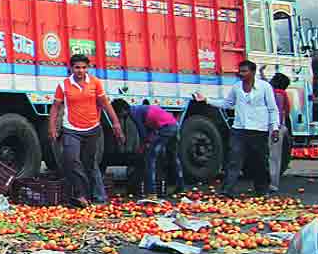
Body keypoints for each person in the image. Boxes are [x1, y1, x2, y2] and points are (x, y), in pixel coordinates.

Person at [193, 59, 279, 197]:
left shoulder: (264, 87)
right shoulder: (237, 87)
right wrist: (207, 100)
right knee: (234, 160)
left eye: (244, 71)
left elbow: (272, 109)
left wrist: (274, 127)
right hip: (239, 129)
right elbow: (227, 103)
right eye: (240, 71)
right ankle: (227, 191)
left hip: (259, 129)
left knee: (260, 162)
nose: (241, 74)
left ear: (253, 72)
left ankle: (262, 189)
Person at [49, 54, 125, 208]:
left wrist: (116, 124)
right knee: (72, 160)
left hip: (92, 129)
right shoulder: (63, 85)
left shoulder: (95, 83)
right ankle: (81, 195)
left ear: (87, 68)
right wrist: (52, 128)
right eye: (77, 67)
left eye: (84, 67)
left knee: (90, 164)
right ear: (71, 68)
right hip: (71, 129)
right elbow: (56, 107)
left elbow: (105, 104)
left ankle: (99, 197)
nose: (80, 71)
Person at [112, 99, 183, 196]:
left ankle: (151, 191)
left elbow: (143, 132)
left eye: (117, 114)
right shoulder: (139, 109)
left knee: (150, 158)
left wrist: (143, 146)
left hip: (165, 128)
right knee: (173, 157)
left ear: (122, 110)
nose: (118, 117)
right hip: (174, 125)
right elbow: (150, 128)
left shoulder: (134, 113)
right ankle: (180, 187)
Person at [268, 73, 291, 193]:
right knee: (275, 157)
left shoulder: (273, 92)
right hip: (279, 127)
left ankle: (267, 183)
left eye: (272, 79)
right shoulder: (282, 94)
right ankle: (273, 184)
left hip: (270, 127)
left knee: (269, 155)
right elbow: (287, 111)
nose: (270, 80)